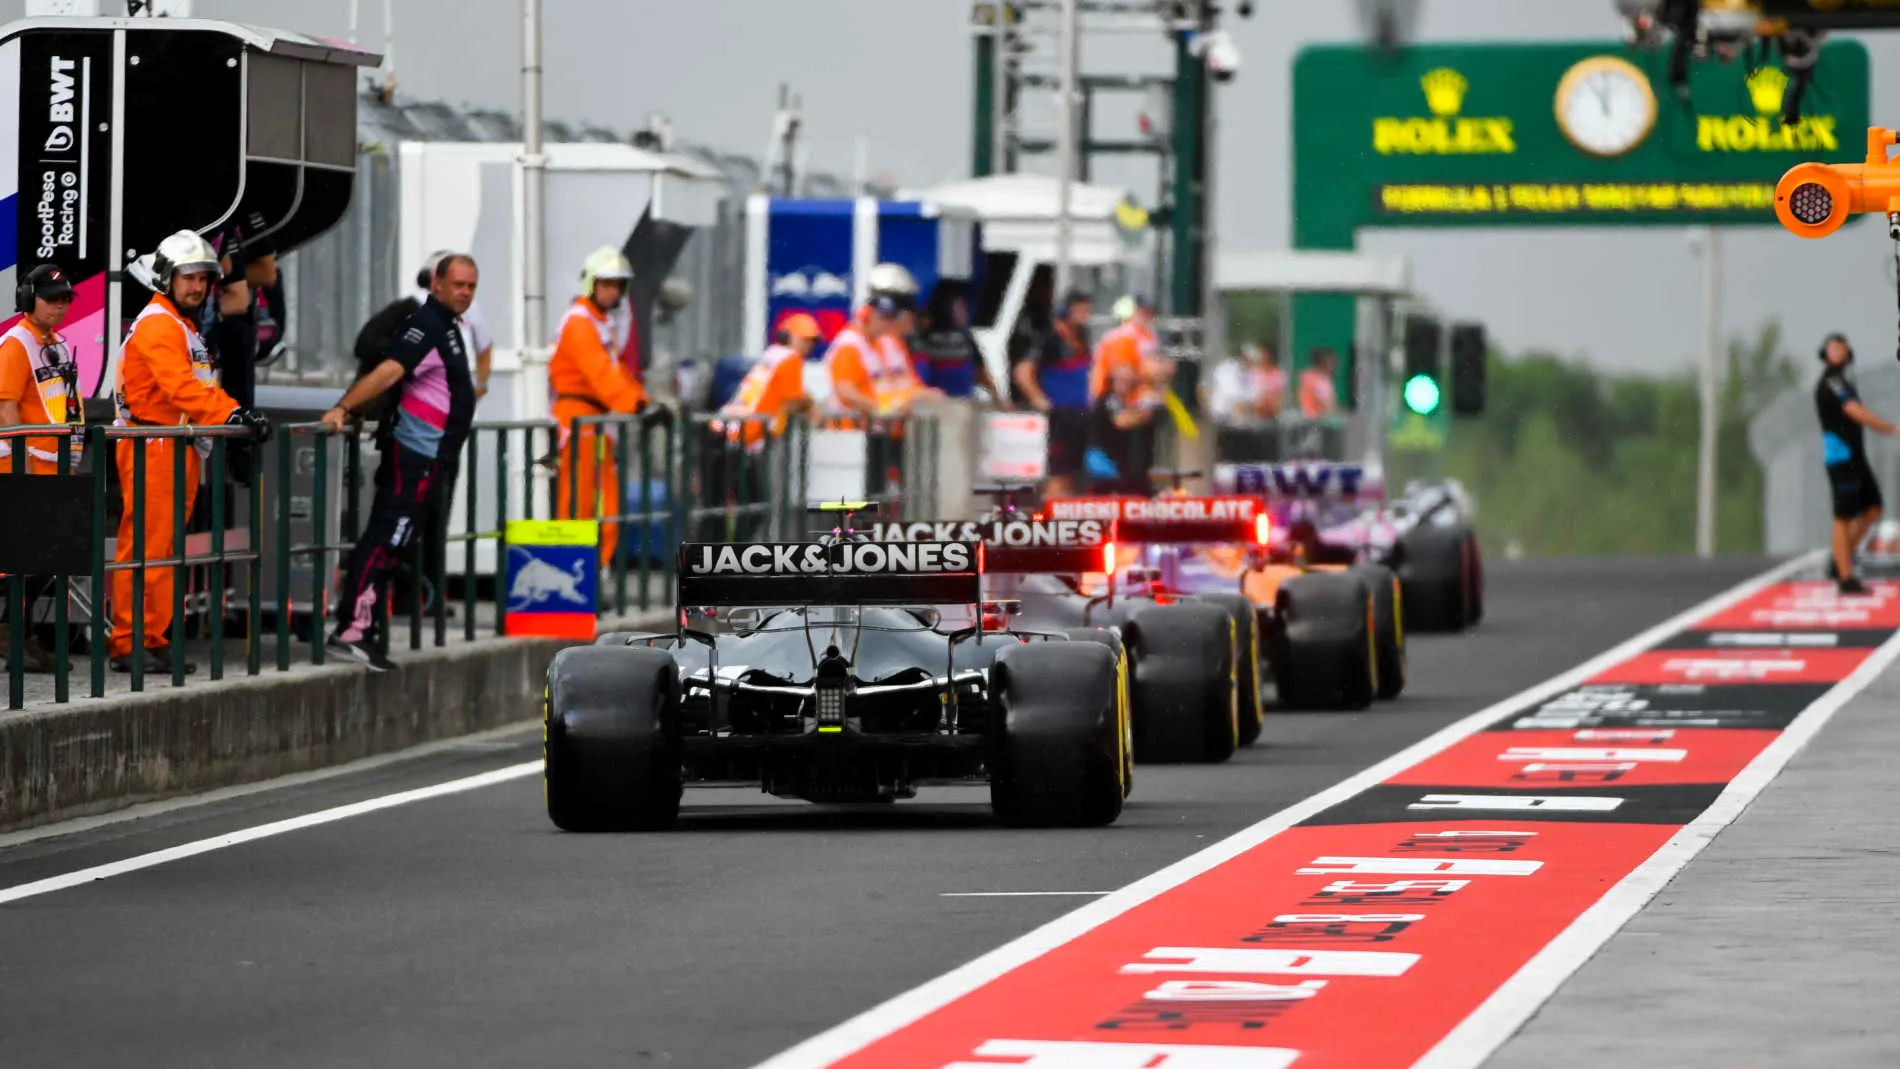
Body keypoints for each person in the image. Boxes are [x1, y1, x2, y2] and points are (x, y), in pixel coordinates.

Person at [111, 230, 272, 675]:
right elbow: (180, 387)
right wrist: (234, 414)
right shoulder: (162, 323)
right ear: (166, 278)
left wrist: (227, 414)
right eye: (189, 277)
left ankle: (151, 636)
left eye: (204, 278)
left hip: (172, 444)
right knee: (146, 547)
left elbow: (191, 387)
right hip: (153, 444)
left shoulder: (177, 323)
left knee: (161, 549)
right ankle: (129, 642)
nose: (198, 286)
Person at [319, 253, 480, 670]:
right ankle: (354, 629)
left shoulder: (447, 325)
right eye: (458, 284)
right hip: (415, 455)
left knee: (396, 540)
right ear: (436, 284)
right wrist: (343, 406)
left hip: (430, 457)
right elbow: (388, 372)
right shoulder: (426, 324)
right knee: (387, 538)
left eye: (471, 286)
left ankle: (361, 626)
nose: (464, 292)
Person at [0, 264, 82, 672]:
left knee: (38, 561)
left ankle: (22, 635)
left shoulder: (55, 344)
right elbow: (6, 406)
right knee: (21, 561)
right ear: (28, 299)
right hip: (28, 468)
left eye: (66, 298)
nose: (60, 306)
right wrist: (21, 470)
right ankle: (14, 635)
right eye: (52, 299)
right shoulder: (16, 344)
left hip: (51, 466)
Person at [549, 246, 647, 571]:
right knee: (577, 505)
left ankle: (593, 573)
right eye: (606, 283)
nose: (612, 291)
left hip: (596, 422)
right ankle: (574, 574)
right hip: (578, 421)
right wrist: (636, 406)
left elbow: (615, 372)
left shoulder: (599, 323)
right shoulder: (579, 323)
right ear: (591, 283)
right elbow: (600, 373)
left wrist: (644, 402)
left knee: (605, 506)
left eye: (618, 285)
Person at [1815, 332, 1898, 594]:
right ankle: (1845, 577)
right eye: (1833, 348)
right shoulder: (1832, 382)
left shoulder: (1844, 380)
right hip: (1841, 457)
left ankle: (1840, 559)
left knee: (1873, 507)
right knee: (1844, 515)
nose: (1838, 352)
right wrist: (1888, 427)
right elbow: (1853, 410)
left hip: (1855, 455)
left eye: (1842, 348)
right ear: (1825, 353)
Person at [1013, 289, 1095, 498]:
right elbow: (1023, 372)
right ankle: (1050, 523)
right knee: (1058, 475)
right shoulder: (1050, 339)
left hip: (1081, 416)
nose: (1085, 315)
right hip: (1060, 418)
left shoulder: (1083, 339)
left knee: (1075, 475)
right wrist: (1040, 400)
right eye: (1081, 310)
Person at [720, 311, 818, 444]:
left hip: (729, 426)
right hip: (753, 433)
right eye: (804, 339)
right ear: (787, 337)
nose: (809, 345)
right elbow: (793, 400)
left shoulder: (772, 353)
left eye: (812, 341)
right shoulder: (791, 358)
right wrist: (810, 405)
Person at [910, 280, 1005, 406]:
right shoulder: (923, 337)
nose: (963, 311)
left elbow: (981, 372)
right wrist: (998, 398)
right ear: (947, 307)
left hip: (948, 405)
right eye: (959, 306)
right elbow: (982, 374)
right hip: (942, 404)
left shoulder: (921, 337)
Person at [1206, 340, 1286, 424]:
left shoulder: (1244, 371)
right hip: (1227, 417)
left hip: (1250, 417)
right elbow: (1237, 394)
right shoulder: (1231, 370)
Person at [1299, 346, 1342, 418]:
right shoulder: (1321, 382)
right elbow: (1329, 408)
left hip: (1308, 421)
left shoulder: (1307, 376)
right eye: (1331, 361)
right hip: (1318, 423)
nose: (1334, 364)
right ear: (1323, 363)